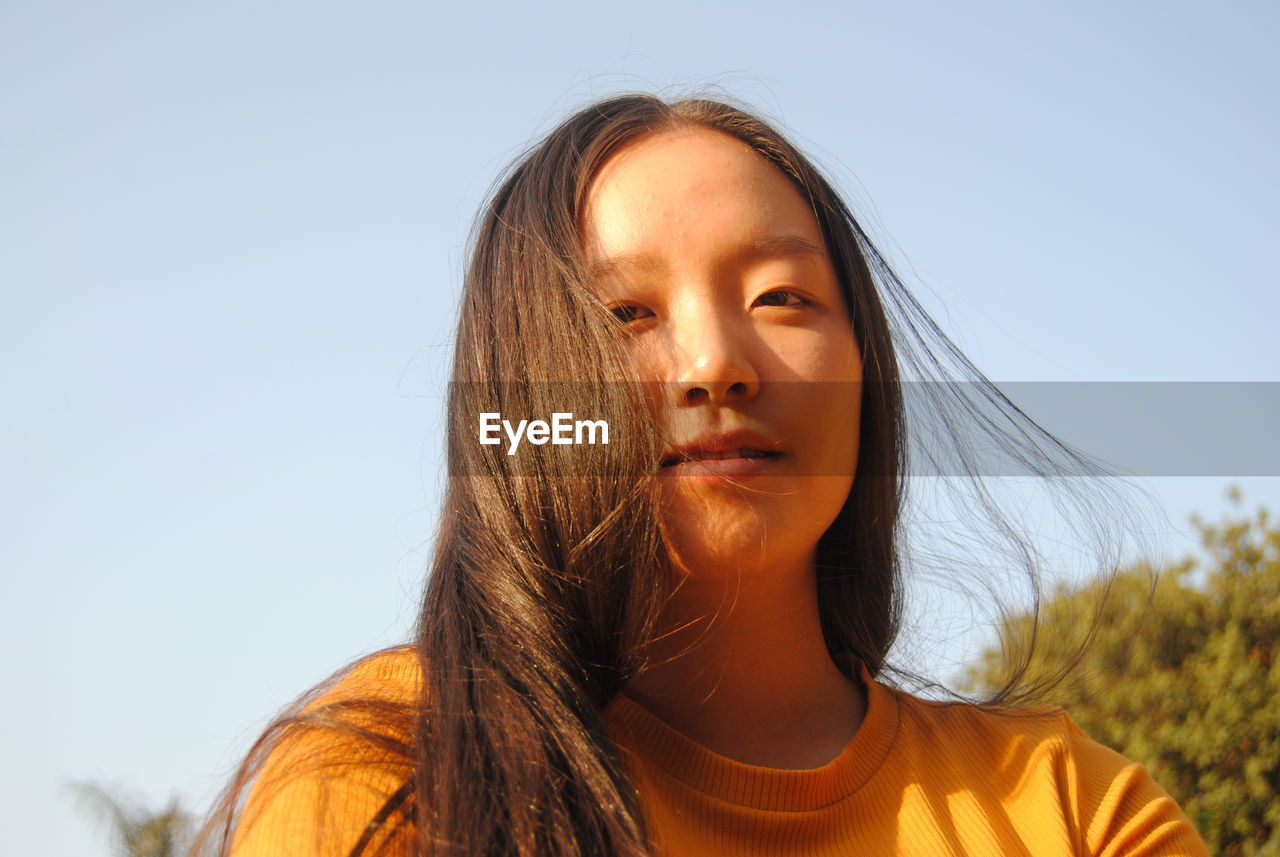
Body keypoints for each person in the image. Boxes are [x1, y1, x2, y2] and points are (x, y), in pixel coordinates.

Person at [196, 94, 1210, 856]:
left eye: (781, 297)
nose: (715, 362)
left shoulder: (1069, 804)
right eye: (625, 314)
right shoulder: (390, 768)